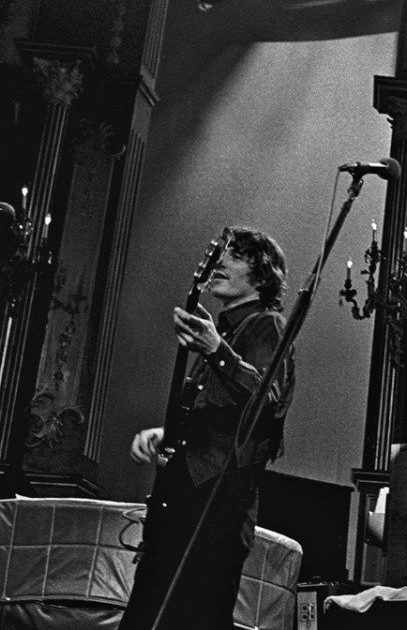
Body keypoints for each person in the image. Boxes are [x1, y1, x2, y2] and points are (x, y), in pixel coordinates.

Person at [118, 226, 296, 630]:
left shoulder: (267, 325)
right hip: (188, 496)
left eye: (235, 255)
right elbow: (221, 414)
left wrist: (218, 350)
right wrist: (168, 434)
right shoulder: (225, 332)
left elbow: (267, 403)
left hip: (216, 504)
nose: (220, 261)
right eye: (222, 252)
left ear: (262, 274)